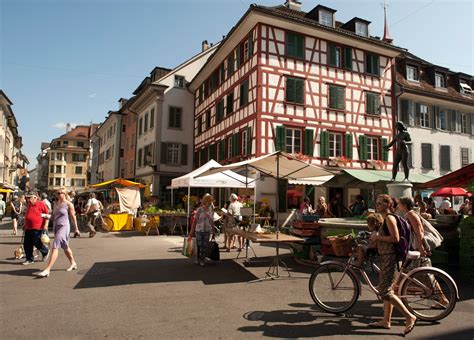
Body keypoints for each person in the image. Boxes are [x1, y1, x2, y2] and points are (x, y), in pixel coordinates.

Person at [368, 194, 416, 335]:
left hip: (391, 257)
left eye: (380, 203)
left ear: (388, 205)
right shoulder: (384, 219)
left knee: (384, 291)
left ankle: (409, 317)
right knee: (389, 290)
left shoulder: (389, 218)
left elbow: (395, 238)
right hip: (387, 256)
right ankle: (386, 321)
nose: (377, 205)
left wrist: (377, 237)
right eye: (376, 203)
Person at [35, 188, 79, 278]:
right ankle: (73, 263)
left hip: (64, 227)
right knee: (65, 246)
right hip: (56, 227)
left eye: (60, 193)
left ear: (65, 193)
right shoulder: (56, 204)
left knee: (55, 246)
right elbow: (53, 216)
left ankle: (47, 269)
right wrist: (44, 216)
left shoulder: (69, 204)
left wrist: (76, 229)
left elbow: (73, 217)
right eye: (57, 193)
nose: (58, 194)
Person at [21, 191, 50, 265]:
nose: (28, 199)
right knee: (27, 243)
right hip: (28, 227)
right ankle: (29, 259)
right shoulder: (29, 205)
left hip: (38, 227)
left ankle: (45, 251)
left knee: (36, 241)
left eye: (29, 197)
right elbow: (27, 215)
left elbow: (47, 215)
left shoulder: (41, 204)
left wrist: (45, 225)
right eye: (27, 197)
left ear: (35, 197)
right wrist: (25, 224)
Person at [188, 194, 214, 266]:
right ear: (206, 201)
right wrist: (191, 232)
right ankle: (198, 258)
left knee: (204, 246)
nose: (211, 203)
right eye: (210, 201)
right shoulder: (199, 210)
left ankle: (202, 260)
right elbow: (195, 221)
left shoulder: (211, 210)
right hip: (199, 230)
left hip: (207, 230)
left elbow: (212, 220)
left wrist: (213, 230)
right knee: (199, 245)